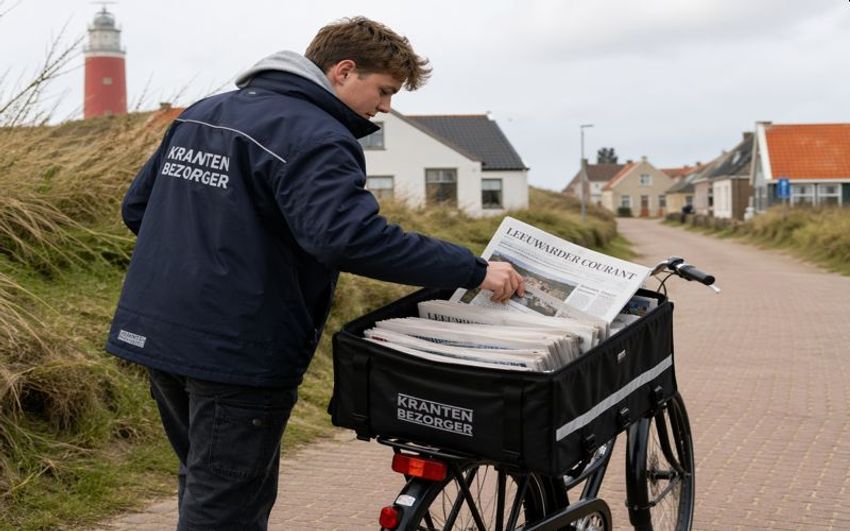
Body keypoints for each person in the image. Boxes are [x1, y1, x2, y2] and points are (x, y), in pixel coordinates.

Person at [105, 16, 524, 530]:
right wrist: (473, 269)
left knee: (204, 481)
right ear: (344, 70)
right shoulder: (318, 135)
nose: (387, 107)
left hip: (157, 333)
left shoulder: (206, 112)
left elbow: (138, 209)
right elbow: (349, 237)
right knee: (226, 506)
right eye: (385, 90)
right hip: (234, 349)